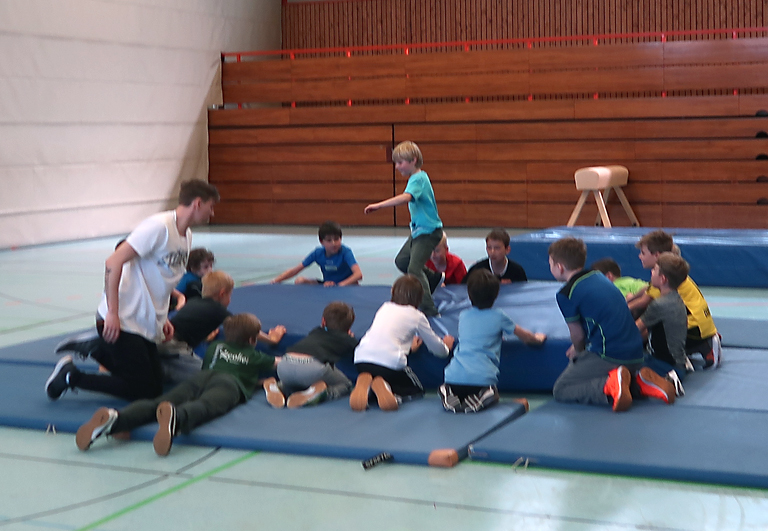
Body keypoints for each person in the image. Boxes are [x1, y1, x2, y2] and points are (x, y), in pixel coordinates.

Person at [46, 179, 219, 402]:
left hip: (144, 322)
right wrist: (112, 312)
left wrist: (162, 319)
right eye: (210, 207)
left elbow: (162, 280)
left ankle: (98, 348)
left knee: (154, 385)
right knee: (143, 391)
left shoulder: (186, 236)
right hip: (124, 320)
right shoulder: (159, 227)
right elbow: (113, 262)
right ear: (197, 203)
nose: (212, 213)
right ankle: (72, 376)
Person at [75, 313, 278, 456]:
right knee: (207, 405)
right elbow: (280, 364)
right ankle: (178, 418)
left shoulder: (216, 346)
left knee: (159, 402)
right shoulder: (256, 356)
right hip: (229, 384)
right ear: (252, 340)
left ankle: (117, 419)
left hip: (201, 377)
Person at [548, 237, 676, 412]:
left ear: (559, 267)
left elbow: (577, 335)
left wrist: (578, 351)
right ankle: (639, 383)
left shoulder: (566, 293)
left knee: (562, 389)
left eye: (550, 264)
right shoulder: (599, 277)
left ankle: (609, 386)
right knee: (587, 364)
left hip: (611, 354)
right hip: (636, 352)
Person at [440, 269, 546, 413]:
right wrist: (538, 338)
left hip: (452, 377)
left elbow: (478, 333)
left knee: (457, 390)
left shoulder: (463, 315)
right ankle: (478, 400)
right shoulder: (499, 316)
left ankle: (449, 395)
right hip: (481, 380)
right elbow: (525, 336)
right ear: (496, 295)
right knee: (494, 396)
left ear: (469, 294)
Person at [351, 274, 454, 411]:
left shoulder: (384, 307)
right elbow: (435, 346)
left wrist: (409, 348)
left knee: (382, 371)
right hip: (389, 364)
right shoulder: (416, 316)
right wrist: (446, 348)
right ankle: (392, 394)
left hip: (361, 359)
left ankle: (369, 389)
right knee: (417, 389)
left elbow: (385, 338)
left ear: (393, 291)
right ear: (419, 298)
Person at [161, 271, 286, 383]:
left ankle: (165, 369)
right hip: (174, 346)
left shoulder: (194, 302)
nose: (230, 300)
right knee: (210, 377)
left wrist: (205, 337)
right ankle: (250, 383)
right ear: (222, 294)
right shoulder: (217, 309)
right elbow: (244, 327)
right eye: (229, 295)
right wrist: (271, 339)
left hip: (163, 341)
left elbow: (187, 324)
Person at [364, 141, 444, 316]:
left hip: (429, 232)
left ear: (413, 160)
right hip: (419, 231)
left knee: (414, 269)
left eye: (400, 163)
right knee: (402, 261)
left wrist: (379, 205)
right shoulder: (417, 178)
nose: (397, 167)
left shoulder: (418, 179)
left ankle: (429, 309)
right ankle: (433, 278)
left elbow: (406, 197)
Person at [628, 230, 722, 369]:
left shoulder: (664, 277)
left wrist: (621, 310)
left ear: (657, 255)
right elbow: (646, 290)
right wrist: (630, 299)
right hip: (700, 324)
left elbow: (643, 302)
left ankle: (688, 351)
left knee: (649, 325)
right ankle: (701, 345)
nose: (640, 256)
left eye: (643, 253)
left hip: (694, 328)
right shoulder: (669, 271)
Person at [263, 301, 359, 409]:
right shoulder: (347, 339)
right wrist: (350, 338)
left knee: (295, 381)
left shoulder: (315, 331)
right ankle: (321, 394)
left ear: (323, 321)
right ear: (349, 326)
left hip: (284, 364)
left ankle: (279, 387)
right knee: (346, 385)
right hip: (311, 367)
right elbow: (358, 349)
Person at [636, 253, 691, 397]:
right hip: (677, 362)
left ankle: (665, 379)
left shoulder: (659, 305)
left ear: (663, 279)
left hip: (663, 364)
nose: (651, 272)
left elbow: (634, 330)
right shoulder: (677, 299)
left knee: (623, 371)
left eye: (654, 269)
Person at [271, 221, 362, 287]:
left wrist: (339, 285)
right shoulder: (318, 253)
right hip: (327, 285)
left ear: (341, 239)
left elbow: (358, 274)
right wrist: (275, 281)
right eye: (329, 240)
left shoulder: (345, 252)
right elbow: (296, 270)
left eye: (336, 239)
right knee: (300, 281)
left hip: (346, 286)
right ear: (322, 242)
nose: (333, 243)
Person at [462, 228, 527, 285]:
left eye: (497, 248)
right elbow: (464, 290)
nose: (492, 252)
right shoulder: (477, 270)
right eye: (489, 248)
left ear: (507, 250)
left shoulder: (517, 271)